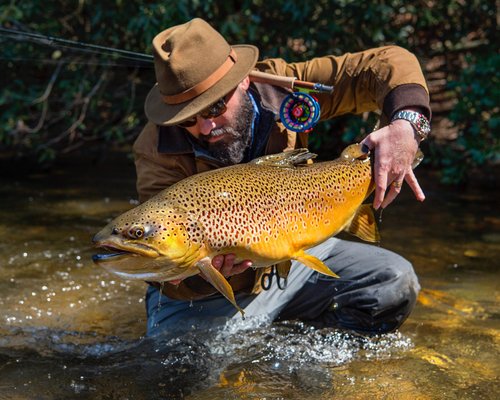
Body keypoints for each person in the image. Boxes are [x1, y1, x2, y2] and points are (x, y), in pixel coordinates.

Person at [133, 18, 431, 336]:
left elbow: (387, 63)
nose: (205, 127)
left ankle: (313, 352)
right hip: (206, 296)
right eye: (187, 120)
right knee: (177, 369)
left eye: (215, 107)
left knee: (393, 281)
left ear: (243, 80)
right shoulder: (155, 148)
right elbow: (160, 253)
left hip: (296, 255)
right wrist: (192, 274)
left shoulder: (283, 86)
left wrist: (407, 123)